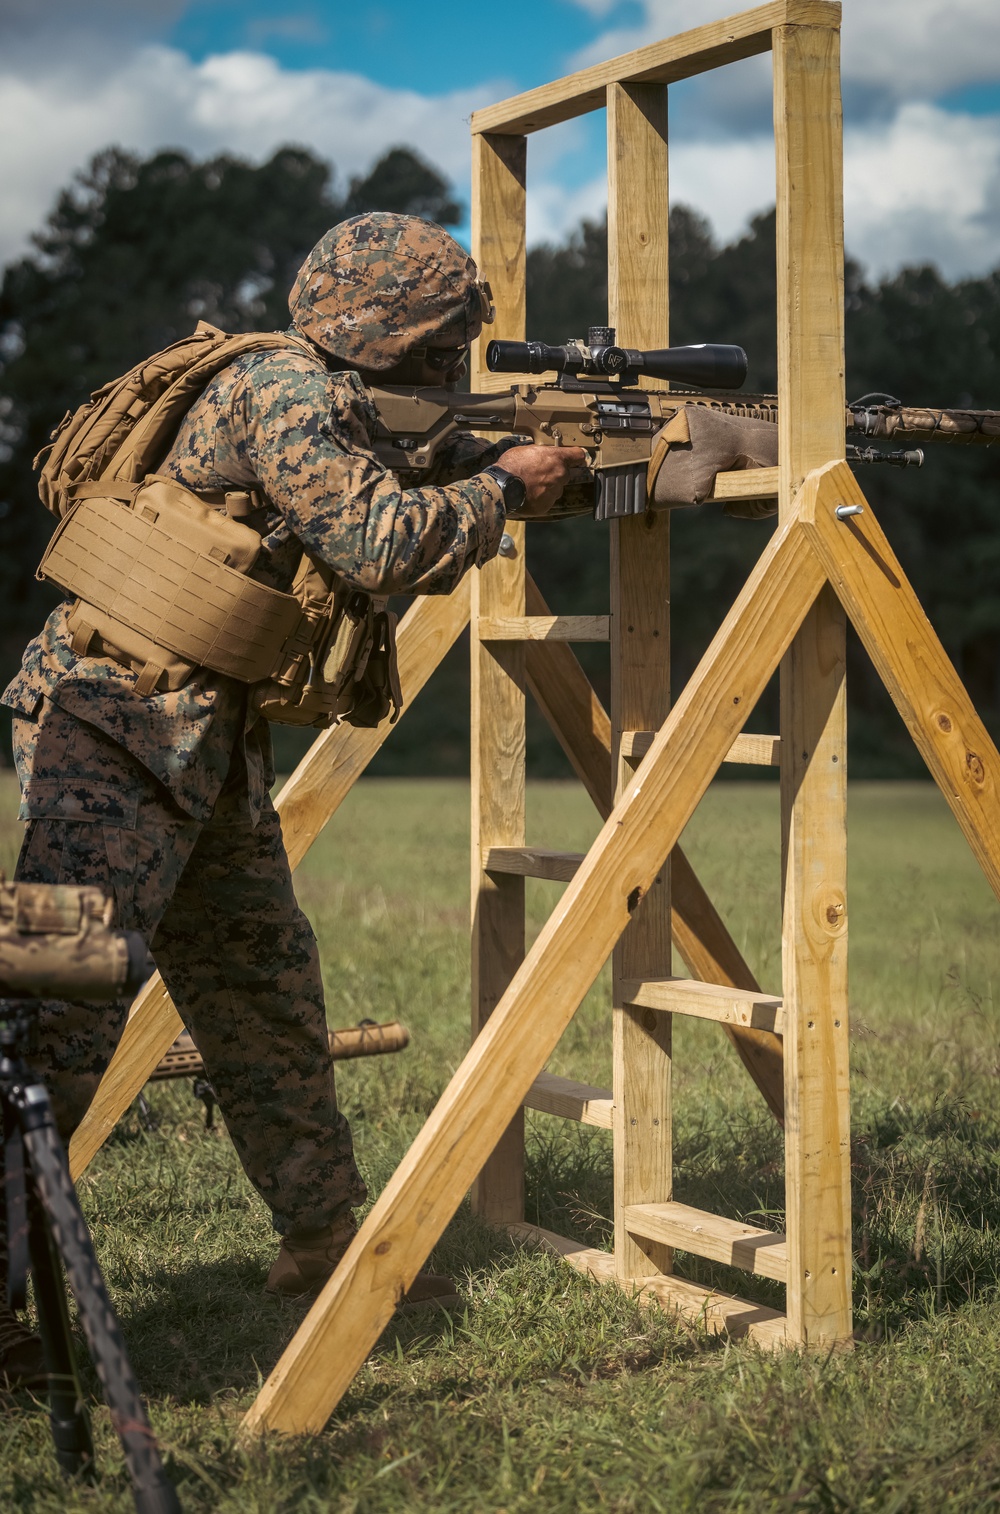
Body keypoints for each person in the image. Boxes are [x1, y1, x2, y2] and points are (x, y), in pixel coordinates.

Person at [0, 212, 584, 1383]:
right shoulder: (286, 392)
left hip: (191, 741)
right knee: (50, 1017)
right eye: (442, 343)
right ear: (398, 336)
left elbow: (371, 490)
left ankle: (323, 1240)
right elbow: (375, 544)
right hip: (112, 732)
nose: (455, 363)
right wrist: (505, 489)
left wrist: (491, 468)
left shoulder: (307, 390)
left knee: (264, 987)